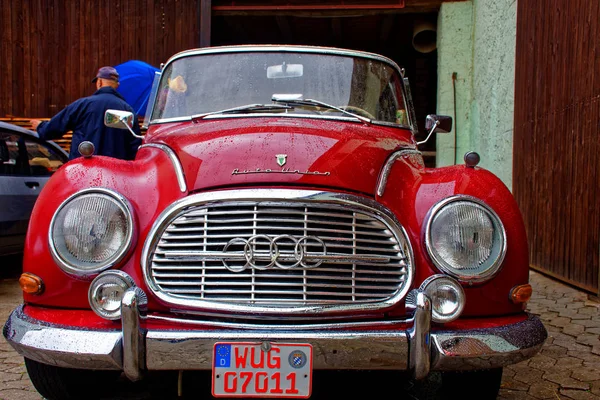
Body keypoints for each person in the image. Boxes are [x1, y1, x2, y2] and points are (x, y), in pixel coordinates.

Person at [30, 66, 142, 161]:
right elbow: (134, 146)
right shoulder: (128, 110)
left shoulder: (82, 105)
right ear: (117, 85)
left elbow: (53, 129)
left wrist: (41, 126)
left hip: (84, 168)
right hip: (115, 173)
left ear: (99, 82)